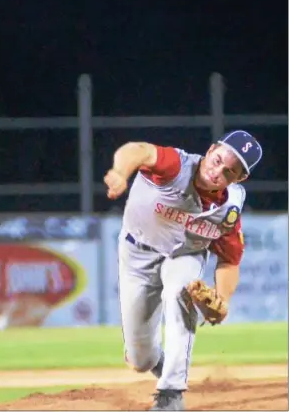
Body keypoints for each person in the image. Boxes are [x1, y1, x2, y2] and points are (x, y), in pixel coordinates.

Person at [104, 130, 262, 411]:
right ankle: (163, 365)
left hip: (185, 256)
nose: (217, 173)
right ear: (211, 148)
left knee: (182, 292)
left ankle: (171, 393)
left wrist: (222, 298)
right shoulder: (176, 166)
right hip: (137, 254)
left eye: (229, 172)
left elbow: (230, 260)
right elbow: (137, 150)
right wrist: (120, 171)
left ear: (239, 179)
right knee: (141, 360)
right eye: (217, 161)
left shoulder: (229, 207)